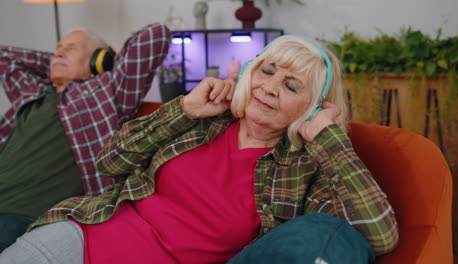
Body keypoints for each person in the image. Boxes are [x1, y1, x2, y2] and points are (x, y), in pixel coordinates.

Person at [0, 35, 398, 263]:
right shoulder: (205, 118)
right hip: (82, 239)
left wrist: (330, 140)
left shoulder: (303, 170)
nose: (270, 87)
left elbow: (378, 236)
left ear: (314, 107)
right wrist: (183, 108)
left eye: (293, 87)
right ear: (248, 72)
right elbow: (110, 161)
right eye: (267, 70)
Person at [0, 22, 171, 252]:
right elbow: (5, 57)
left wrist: (106, 63)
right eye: (57, 48)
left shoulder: (105, 92)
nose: (58, 52)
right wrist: (60, 60)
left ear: (98, 61)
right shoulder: (33, 93)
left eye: (71, 48)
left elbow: (155, 36)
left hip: (23, 219)